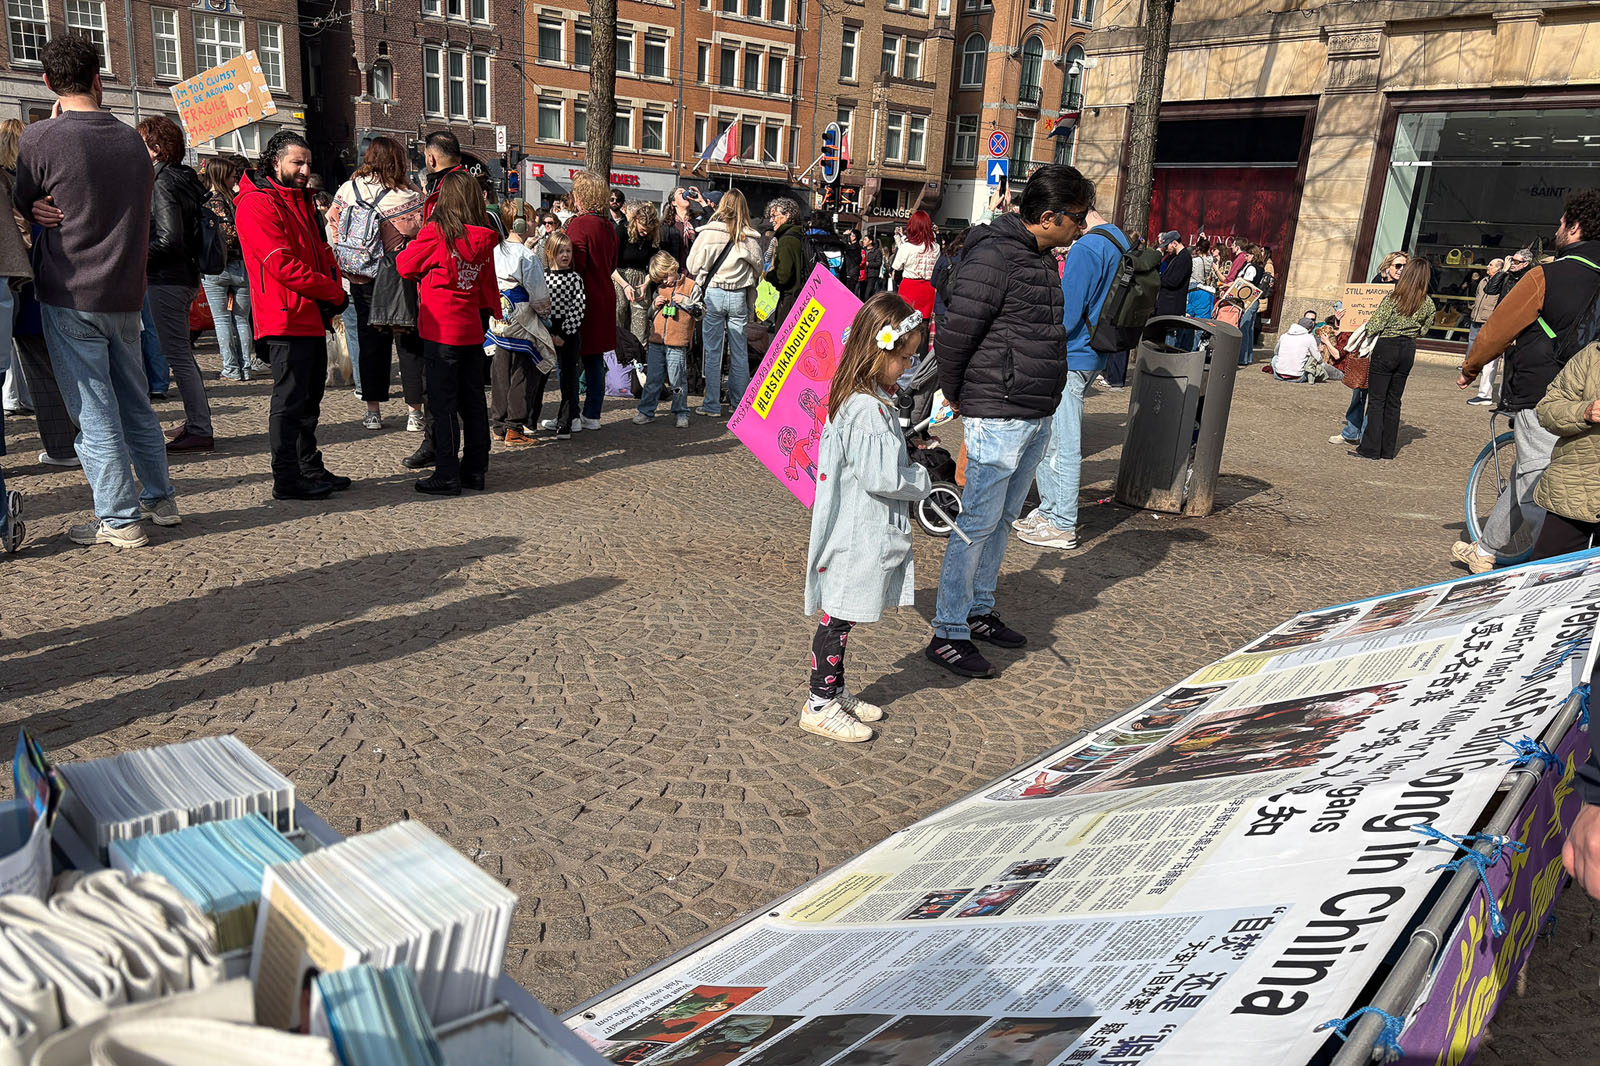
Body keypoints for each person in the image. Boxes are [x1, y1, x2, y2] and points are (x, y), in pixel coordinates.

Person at [17, 37, 178, 547]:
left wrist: (39, 203)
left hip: (70, 289)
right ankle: (160, 498)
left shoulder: (40, 136)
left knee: (93, 410)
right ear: (98, 79)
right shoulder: (132, 140)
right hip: (126, 290)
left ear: (47, 82)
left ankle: (119, 517)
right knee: (134, 399)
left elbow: (24, 197)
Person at [928, 165, 1085, 678]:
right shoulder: (994, 256)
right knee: (976, 522)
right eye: (1077, 216)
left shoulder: (1039, 256)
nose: (1082, 226)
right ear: (1049, 216)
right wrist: (959, 393)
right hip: (998, 411)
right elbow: (955, 334)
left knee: (1002, 520)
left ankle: (978, 609)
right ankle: (948, 630)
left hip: (1033, 409)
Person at [803, 293, 932, 741]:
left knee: (843, 614)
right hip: (858, 529)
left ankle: (833, 691)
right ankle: (819, 703)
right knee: (838, 615)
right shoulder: (867, 409)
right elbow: (882, 477)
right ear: (879, 351)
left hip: (860, 523)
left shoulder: (869, 399)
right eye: (904, 358)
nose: (908, 367)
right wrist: (920, 478)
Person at [1454, 190, 1600, 573]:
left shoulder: (1547, 274)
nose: (1558, 227)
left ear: (1575, 227)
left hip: (1548, 391)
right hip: (1595, 395)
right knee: (1529, 468)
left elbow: (1497, 329)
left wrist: (1471, 368)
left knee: (1539, 476)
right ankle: (1486, 549)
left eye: (1562, 221)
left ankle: (1546, 568)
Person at [236, 131, 349, 501]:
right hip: (283, 315)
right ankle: (286, 477)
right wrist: (331, 291)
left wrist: (332, 286)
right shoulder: (257, 203)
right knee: (289, 402)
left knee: (309, 400)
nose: (304, 170)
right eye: (297, 162)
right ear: (275, 162)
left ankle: (308, 466)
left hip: (309, 312)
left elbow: (320, 252)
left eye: (308, 164)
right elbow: (280, 264)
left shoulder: (301, 200)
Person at [1016, 175, 1122, 554]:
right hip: (1096, 350)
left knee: (1060, 442)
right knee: (1055, 438)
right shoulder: (1117, 239)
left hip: (1072, 352)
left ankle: (1060, 522)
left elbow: (1068, 312)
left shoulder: (1087, 248)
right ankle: (1049, 512)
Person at [396, 170, 498, 496]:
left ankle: (447, 472)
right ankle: (476, 469)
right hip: (470, 327)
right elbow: (486, 284)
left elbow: (405, 265)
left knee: (442, 405)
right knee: (473, 403)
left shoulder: (437, 233)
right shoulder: (482, 237)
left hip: (441, 329)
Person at [329, 136, 424, 433]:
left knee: (370, 344)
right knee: (408, 344)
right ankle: (414, 412)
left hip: (360, 276)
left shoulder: (349, 189)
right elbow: (420, 230)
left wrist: (349, 254)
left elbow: (332, 224)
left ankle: (373, 412)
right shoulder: (406, 195)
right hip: (396, 276)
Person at [137, 116, 214, 453]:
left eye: (141, 144)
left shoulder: (163, 182)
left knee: (178, 356)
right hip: (181, 276)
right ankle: (196, 421)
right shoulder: (180, 177)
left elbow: (169, 238)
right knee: (182, 354)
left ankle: (199, 428)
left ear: (155, 148)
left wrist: (137, 258)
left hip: (167, 278)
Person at [685, 190, 762, 418]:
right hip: (738, 295)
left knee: (713, 351)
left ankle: (712, 404)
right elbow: (759, 266)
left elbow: (692, 265)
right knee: (739, 351)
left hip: (714, 293)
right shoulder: (749, 237)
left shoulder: (709, 233)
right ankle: (739, 404)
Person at [1352, 258, 1433, 461]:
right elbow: (1424, 330)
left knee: (1377, 400)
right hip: (1408, 349)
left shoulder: (1393, 297)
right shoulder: (1428, 303)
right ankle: (1387, 449)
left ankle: (1370, 448)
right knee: (1394, 400)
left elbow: (1375, 325)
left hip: (1387, 346)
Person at [557, 170, 617, 432]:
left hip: (580, 299)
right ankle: (592, 414)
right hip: (603, 294)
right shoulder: (608, 226)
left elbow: (574, 264)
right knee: (594, 359)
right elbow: (612, 264)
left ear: (580, 195)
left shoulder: (580, 225)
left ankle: (569, 415)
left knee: (568, 358)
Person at [1529, 340, 1600, 560]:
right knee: (1548, 571)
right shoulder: (1592, 356)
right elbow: (1548, 409)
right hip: (1578, 484)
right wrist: (1584, 412)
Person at [487, 214, 553, 446]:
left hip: (499, 315)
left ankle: (499, 425)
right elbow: (539, 295)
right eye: (532, 220)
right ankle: (514, 428)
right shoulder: (527, 255)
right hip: (521, 317)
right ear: (520, 224)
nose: (535, 224)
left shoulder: (495, 250)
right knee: (524, 371)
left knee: (501, 370)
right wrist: (545, 317)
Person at [197, 154, 253, 382]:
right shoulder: (239, 201)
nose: (235, 179)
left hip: (215, 267)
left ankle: (231, 369)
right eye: (232, 176)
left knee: (221, 320)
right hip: (241, 264)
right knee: (241, 319)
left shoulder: (205, 202)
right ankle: (246, 367)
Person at [632, 251, 695, 428]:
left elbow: (701, 312)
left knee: (677, 380)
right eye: (661, 279)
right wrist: (654, 305)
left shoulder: (691, 286)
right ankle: (646, 411)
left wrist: (686, 302)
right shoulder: (659, 289)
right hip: (657, 341)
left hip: (677, 342)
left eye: (666, 276)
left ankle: (681, 412)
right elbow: (650, 315)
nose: (665, 281)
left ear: (673, 267)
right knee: (653, 379)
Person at [540, 232, 587, 439]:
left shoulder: (575, 279)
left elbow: (578, 308)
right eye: (561, 251)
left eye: (568, 251)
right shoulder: (543, 277)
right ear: (551, 253)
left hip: (568, 333)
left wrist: (563, 334)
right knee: (539, 376)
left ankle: (566, 421)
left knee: (569, 378)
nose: (565, 255)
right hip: (545, 331)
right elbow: (538, 304)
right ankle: (529, 419)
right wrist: (547, 333)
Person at [613, 200, 660, 350]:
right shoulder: (621, 231)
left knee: (641, 320)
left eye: (649, 230)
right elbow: (609, 264)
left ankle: (639, 354)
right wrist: (625, 285)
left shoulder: (652, 236)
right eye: (643, 229)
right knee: (618, 313)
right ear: (635, 221)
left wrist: (646, 282)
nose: (645, 233)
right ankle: (615, 353)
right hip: (620, 276)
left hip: (641, 277)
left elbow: (653, 265)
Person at [765, 198, 810, 338]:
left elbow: (783, 276)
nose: (771, 220)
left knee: (782, 340)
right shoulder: (799, 235)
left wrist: (768, 276)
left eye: (774, 216)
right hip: (802, 296)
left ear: (787, 215)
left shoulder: (786, 240)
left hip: (790, 299)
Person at [1465, 257, 1505, 405]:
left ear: (1500, 269)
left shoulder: (1504, 282)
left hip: (1492, 321)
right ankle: (1484, 393)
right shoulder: (1483, 281)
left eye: (1491, 265)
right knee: (1480, 352)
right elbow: (1478, 296)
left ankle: (1498, 396)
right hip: (1477, 317)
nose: (1488, 267)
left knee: (1496, 361)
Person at [890, 210, 940, 323]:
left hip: (909, 287)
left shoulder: (906, 247)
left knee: (905, 322)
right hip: (929, 289)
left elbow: (897, 268)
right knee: (924, 324)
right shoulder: (936, 247)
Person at [1271, 312, 1321, 381]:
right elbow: (1318, 358)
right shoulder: (1309, 338)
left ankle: (1281, 373)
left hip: (1278, 375)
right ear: (1310, 329)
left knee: (1275, 358)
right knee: (1318, 363)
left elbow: (1276, 352)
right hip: (1298, 377)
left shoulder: (1284, 336)